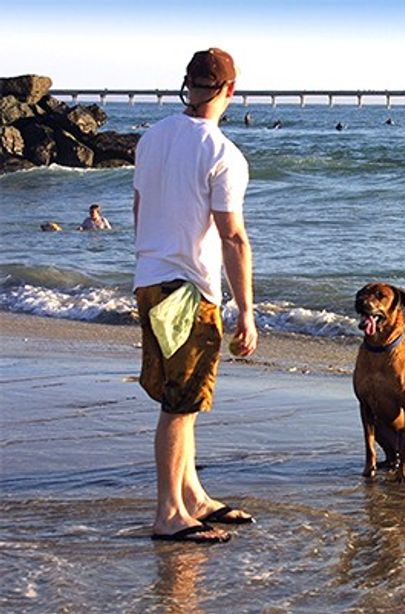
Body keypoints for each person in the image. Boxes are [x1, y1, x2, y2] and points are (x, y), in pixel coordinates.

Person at [133, 48, 258, 544]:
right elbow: (234, 238)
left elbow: (140, 204)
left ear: (187, 85)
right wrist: (247, 310)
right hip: (187, 286)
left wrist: (152, 260)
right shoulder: (223, 153)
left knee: (184, 398)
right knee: (179, 405)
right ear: (230, 91)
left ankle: (193, 496)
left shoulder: (153, 135)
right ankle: (168, 513)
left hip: (150, 277)